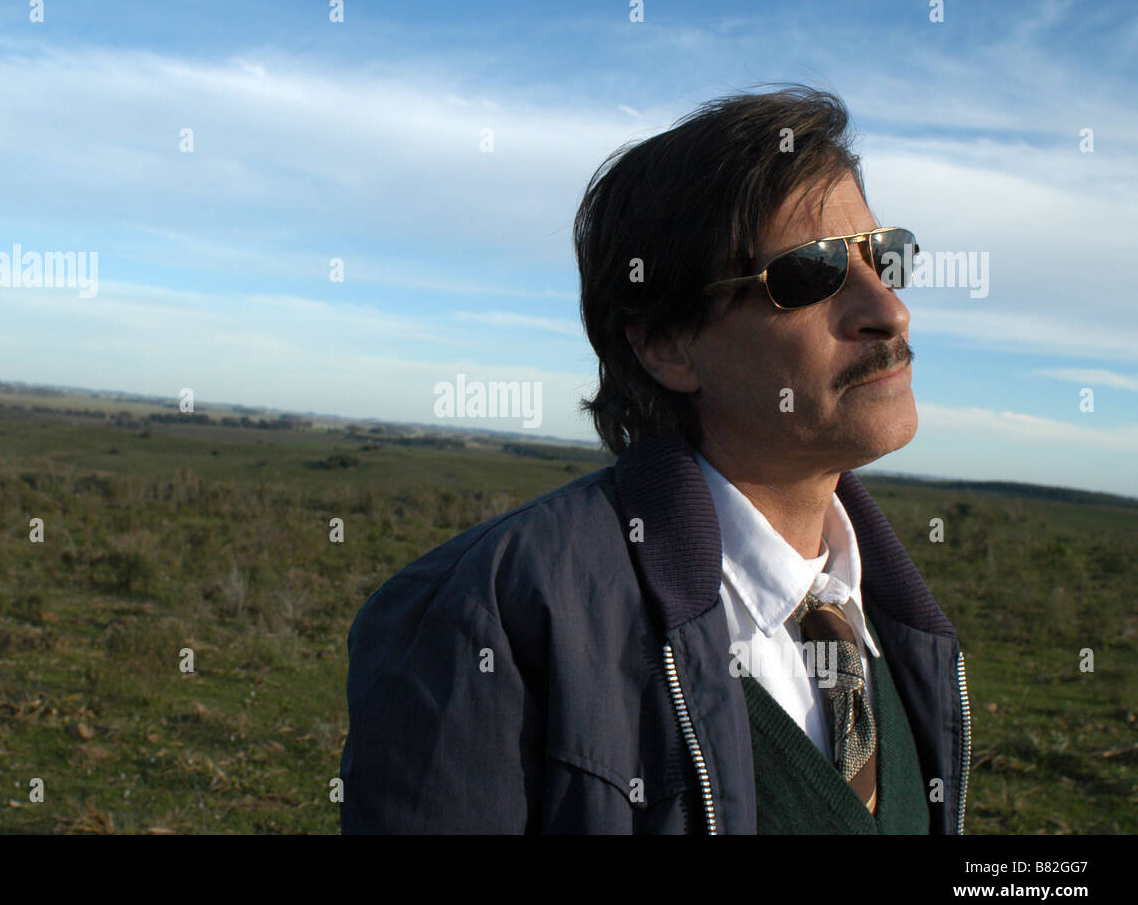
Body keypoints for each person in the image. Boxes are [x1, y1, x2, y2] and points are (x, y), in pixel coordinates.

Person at [338, 84, 970, 834]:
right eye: (811, 273)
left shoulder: (897, 625)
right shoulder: (493, 613)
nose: (889, 310)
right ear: (668, 344)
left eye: (883, 256)